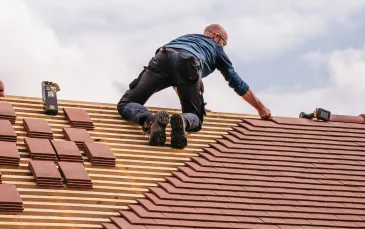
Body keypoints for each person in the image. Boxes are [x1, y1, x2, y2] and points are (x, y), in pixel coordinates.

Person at [117, 24, 272, 149]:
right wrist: (260, 108)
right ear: (216, 36)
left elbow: (174, 64)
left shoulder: (185, 38)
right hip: (189, 65)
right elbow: (236, 81)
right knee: (195, 117)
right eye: (224, 44)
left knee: (127, 103)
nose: (223, 47)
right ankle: (183, 122)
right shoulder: (216, 48)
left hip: (163, 56)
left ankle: (149, 121)